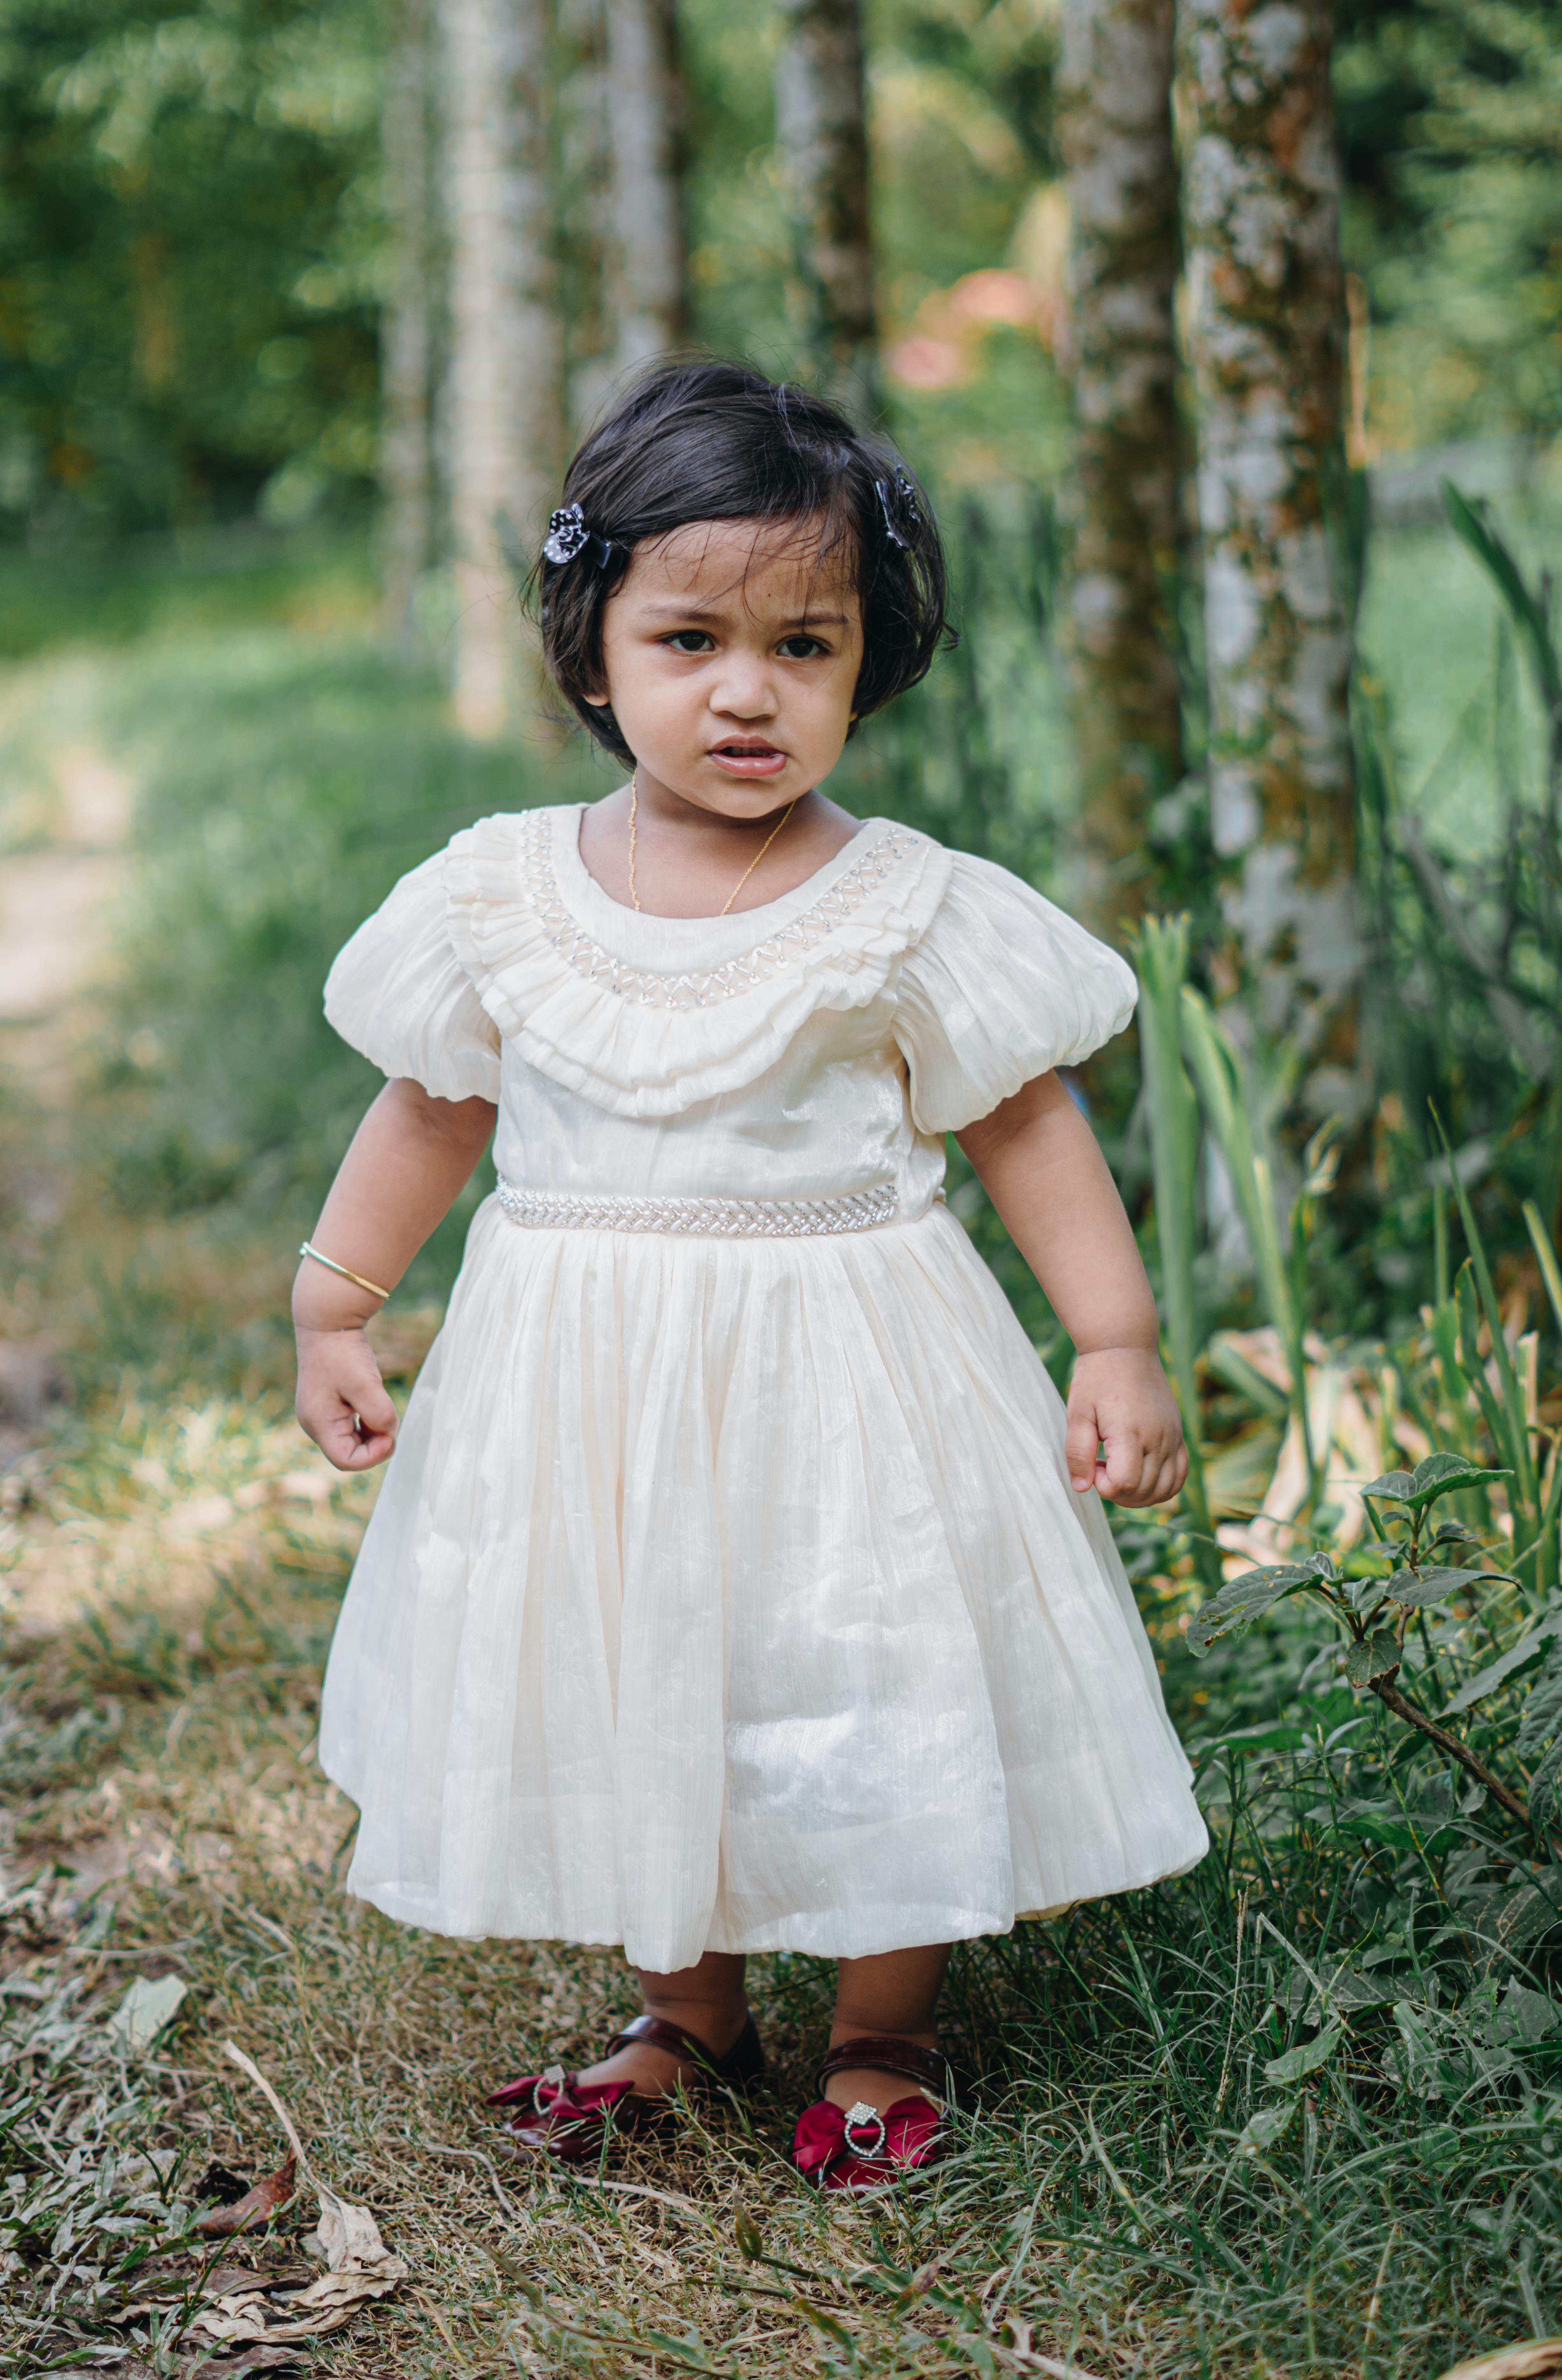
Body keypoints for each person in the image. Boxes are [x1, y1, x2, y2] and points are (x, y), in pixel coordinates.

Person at [295, 362, 1208, 2193]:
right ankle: (685, 2007)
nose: (746, 691)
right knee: (636, 1664)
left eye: (805, 646)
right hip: (586, 1386)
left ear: (868, 660)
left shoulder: (902, 903)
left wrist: (1113, 1339)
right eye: (690, 640)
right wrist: (336, 1300)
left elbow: (1024, 1124)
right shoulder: (504, 896)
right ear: (593, 650)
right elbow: (432, 1110)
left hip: (848, 1377)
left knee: (865, 1665)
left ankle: (884, 2028)